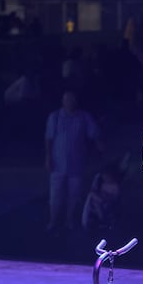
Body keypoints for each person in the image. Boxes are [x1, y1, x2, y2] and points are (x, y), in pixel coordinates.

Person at [44, 90, 101, 233]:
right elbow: (49, 139)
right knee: (55, 194)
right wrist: (48, 157)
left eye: (71, 99)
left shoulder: (83, 117)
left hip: (77, 162)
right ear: (63, 101)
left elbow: (93, 133)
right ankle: (53, 220)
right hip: (58, 162)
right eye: (66, 99)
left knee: (74, 194)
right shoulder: (55, 117)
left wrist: (100, 145)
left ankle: (69, 220)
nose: (69, 102)